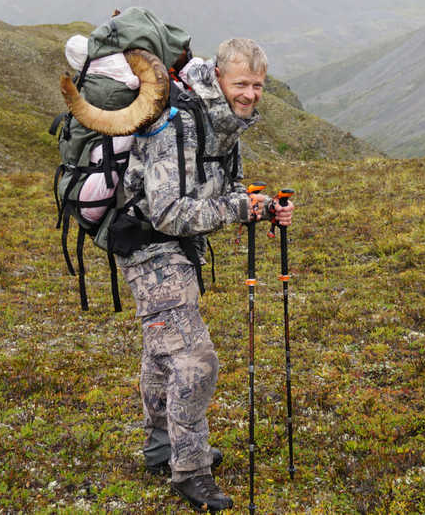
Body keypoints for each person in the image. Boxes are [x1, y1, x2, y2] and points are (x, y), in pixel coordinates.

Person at [116, 38, 294, 512]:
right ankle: (190, 468)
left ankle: (160, 447)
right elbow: (167, 212)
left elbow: (227, 186)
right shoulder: (174, 124)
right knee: (194, 358)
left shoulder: (223, 123)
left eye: (257, 85)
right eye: (241, 83)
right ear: (217, 76)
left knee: (163, 351)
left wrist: (262, 206)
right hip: (148, 245)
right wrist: (238, 206)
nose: (251, 94)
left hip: (175, 248)